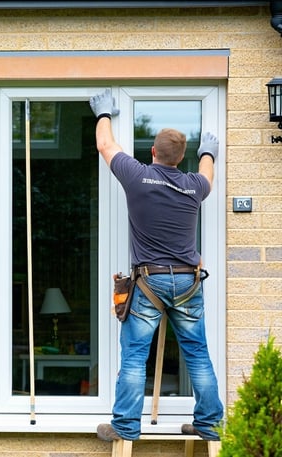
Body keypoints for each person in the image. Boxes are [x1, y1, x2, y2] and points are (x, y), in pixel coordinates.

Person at [89, 89, 224, 442]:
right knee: (197, 352)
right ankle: (210, 425)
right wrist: (208, 150)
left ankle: (125, 427)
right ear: (181, 158)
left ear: (153, 152)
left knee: (135, 355)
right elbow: (208, 174)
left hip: (149, 284)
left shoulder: (137, 175)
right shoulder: (194, 185)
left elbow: (106, 145)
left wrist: (104, 113)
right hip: (189, 282)